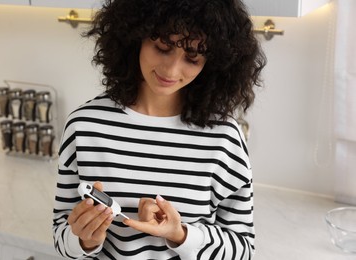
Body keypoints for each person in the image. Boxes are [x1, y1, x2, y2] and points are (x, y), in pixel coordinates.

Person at [52, 0, 266, 259]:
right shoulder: (85, 126)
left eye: (192, 58)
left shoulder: (224, 138)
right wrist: (84, 240)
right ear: (136, 37)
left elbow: (243, 250)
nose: (171, 69)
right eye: (163, 48)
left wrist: (181, 235)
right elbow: (61, 237)